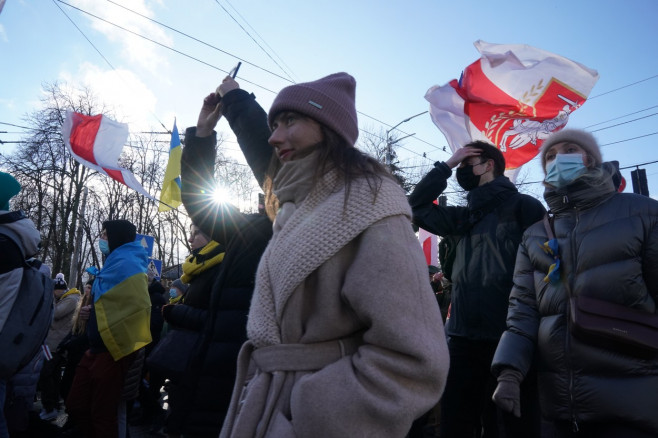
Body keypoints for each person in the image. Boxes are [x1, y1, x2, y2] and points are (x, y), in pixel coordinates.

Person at [210, 72, 449, 437]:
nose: (274, 137)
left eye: (290, 120)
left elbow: (414, 359)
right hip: (264, 407)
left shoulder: (369, 204)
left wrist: (315, 410)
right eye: (273, 124)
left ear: (327, 125)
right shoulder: (295, 207)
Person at [491, 129, 658, 437]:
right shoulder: (535, 235)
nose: (558, 159)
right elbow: (523, 311)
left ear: (590, 159)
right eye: (550, 156)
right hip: (560, 409)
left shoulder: (643, 213)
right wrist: (509, 371)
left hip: (635, 403)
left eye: (569, 150)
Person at [409, 141, 545, 437]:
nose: (462, 171)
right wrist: (448, 164)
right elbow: (415, 207)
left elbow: (544, 272)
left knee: (510, 428)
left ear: (489, 165)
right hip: (462, 340)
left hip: (511, 341)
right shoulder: (463, 217)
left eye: (468, 164)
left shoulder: (526, 207)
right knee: (455, 425)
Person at [159, 97, 273, 436]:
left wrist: (238, 103)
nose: (278, 139)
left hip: (254, 395)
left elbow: (280, 173)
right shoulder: (252, 231)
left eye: (287, 127)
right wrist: (204, 135)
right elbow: (197, 200)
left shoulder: (315, 223)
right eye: (274, 128)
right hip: (208, 385)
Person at [65, 220, 151, 438]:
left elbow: (136, 309)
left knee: (102, 413)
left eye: (105, 235)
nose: (101, 239)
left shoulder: (128, 265)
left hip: (113, 350)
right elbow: (112, 304)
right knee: (77, 403)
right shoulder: (114, 263)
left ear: (117, 237)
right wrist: (91, 313)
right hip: (95, 347)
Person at [38, 273, 81, 421]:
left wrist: (49, 301)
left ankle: (50, 406)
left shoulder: (70, 300)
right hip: (52, 344)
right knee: (52, 375)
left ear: (58, 290)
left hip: (56, 345)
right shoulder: (63, 299)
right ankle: (51, 406)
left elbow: (55, 314)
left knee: (47, 374)